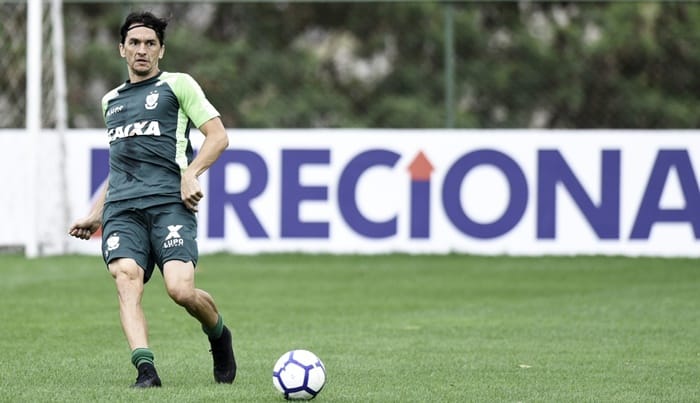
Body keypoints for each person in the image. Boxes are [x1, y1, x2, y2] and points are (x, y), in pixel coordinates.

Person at [68, 11, 235, 388]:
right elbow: (120, 166)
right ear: (122, 49)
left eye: (150, 43)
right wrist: (96, 214)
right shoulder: (110, 101)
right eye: (134, 43)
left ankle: (219, 334)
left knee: (180, 290)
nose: (141, 50)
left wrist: (191, 173)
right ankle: (146, 370)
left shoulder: (178, 85)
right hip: (122, 210)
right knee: (126, 278)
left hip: (169, 205)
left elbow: (218, 137)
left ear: (161, 50)